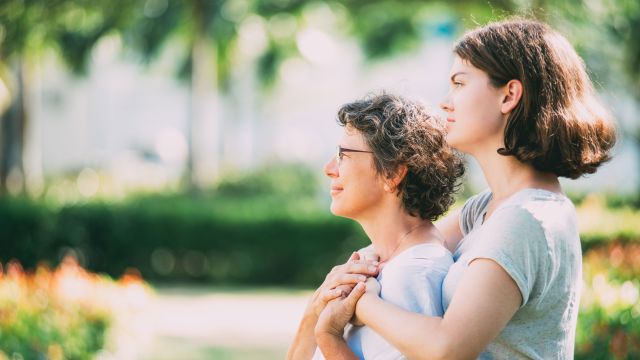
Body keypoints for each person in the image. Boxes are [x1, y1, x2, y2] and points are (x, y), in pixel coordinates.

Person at [312, 18, 617, 359]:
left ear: (509, 95)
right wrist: (342, 280)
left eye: (460, 83)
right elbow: (401, 245)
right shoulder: (485, 209)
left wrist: (360, 302)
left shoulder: (527, 219)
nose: (445, 102)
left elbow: (448, 348)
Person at [287, 93, 465, 359]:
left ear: (393, 173)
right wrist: (314, 312)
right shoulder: (374, 260)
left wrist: (328, 336)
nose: (329, 168)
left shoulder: (415, 273)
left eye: (343, 155)